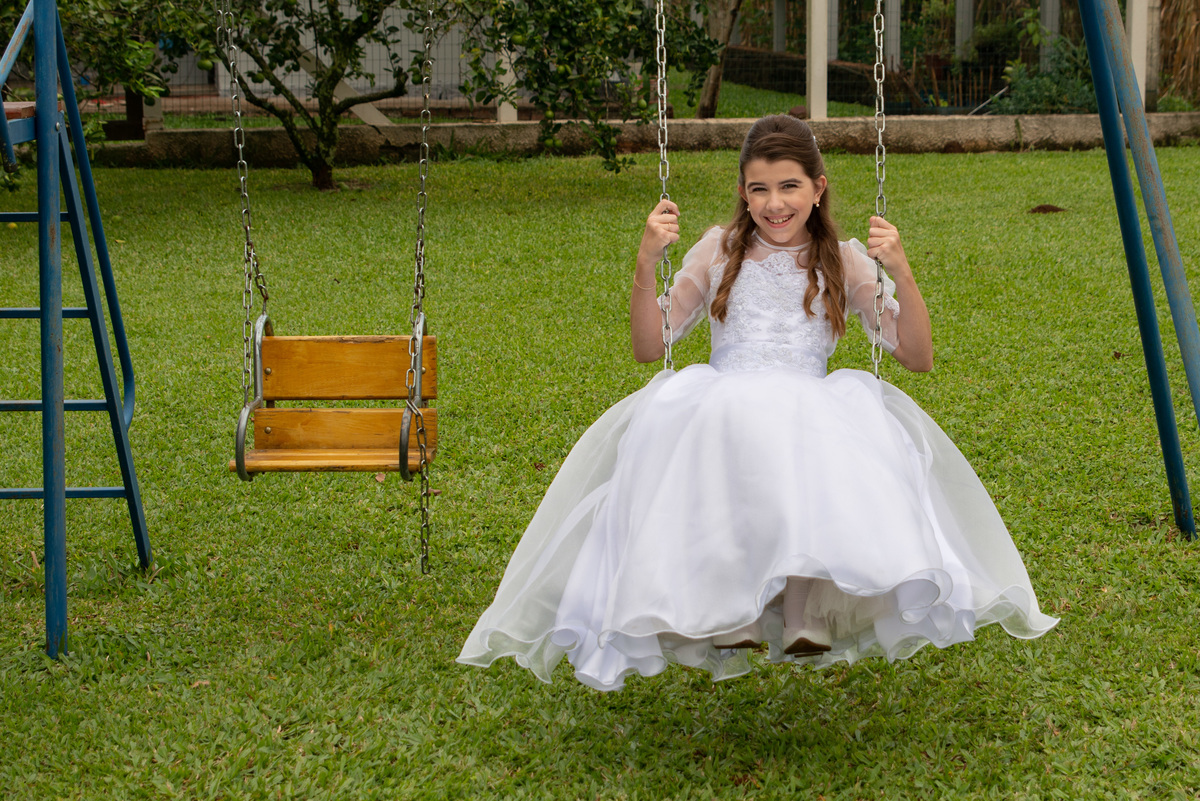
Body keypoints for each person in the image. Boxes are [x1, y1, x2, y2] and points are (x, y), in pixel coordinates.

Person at [458, 115, 1057, 692]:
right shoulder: (719, 250)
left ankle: (803, 615)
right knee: (731, 428)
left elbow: (916, 355)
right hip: (726, 390)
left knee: (805, 436)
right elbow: (650, 345)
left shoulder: (843, 258)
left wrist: (900, 269)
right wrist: (646, 260)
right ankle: (733, 610)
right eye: (760, 189)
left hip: (809, 394)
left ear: (818, 189)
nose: (775, 204)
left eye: (790, 186)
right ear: (743, 194)